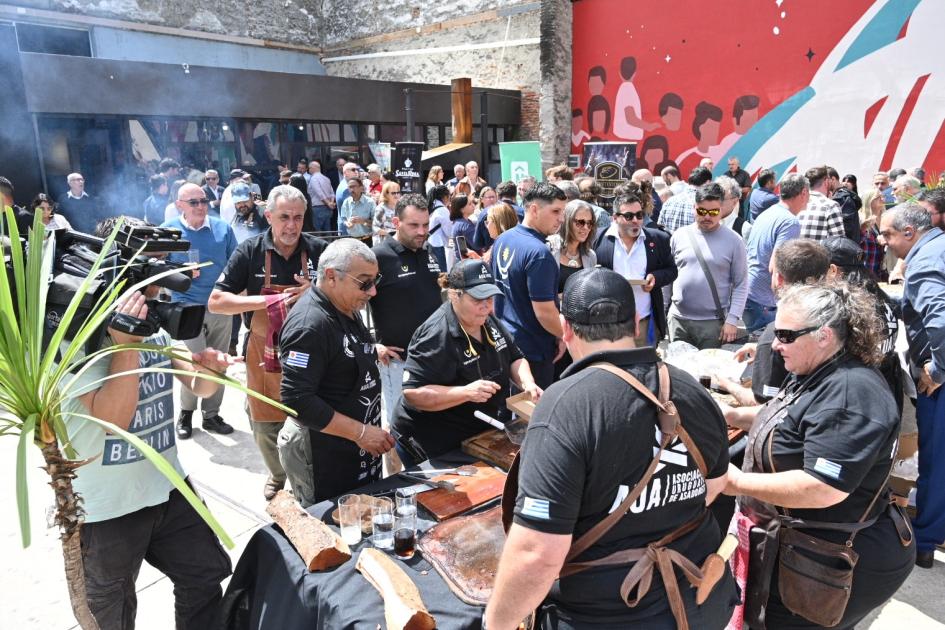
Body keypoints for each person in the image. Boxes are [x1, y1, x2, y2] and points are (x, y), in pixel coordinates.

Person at [486, 267, 737, 630]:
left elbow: (536, 554)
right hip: (698, 603)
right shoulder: (691, 390)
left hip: (608, 615)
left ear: (566, 328)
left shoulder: (564, 407)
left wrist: (496, 626)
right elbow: (713, 486)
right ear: (635, 324)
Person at [723, 282, 914, 628]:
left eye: (785, 335)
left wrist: (735, 482)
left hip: (835, 559)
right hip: (808, 548)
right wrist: (737, 416)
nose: (775, 345)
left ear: (824, 335)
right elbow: (794, 421)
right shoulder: (818, 369)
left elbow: (824, 486)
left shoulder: (849, 393)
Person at [63, 249, 234, 627]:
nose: (156, 285)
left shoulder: (153, 326)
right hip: (108, 509)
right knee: (113, 612)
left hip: (168, 486)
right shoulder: (72, 340)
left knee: (204, 576)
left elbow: (197, 386)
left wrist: (209, 368)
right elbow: (114, 421)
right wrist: (125, 345)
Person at [209, 185, 326, 500]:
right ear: (268, 215)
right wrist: (267, 301)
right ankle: (277, 475)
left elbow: (352, 295)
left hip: (313, 350)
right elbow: (216, 302)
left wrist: (316, 292)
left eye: (298, 218)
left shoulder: (318, 250)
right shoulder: (249, 251)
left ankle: (314, 476)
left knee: (313, 418)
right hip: (263, 350)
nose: (291, 225)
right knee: (264, 423)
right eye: (284, 217)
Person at [277, 239, 395, 507]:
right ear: (331, 276)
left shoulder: (344, 305)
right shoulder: (310, 325)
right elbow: (296, 401)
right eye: (364, 283)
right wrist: (361, 433)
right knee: (331, 527)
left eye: (375, 281)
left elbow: (341, 353)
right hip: (322, 455)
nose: (373, 291)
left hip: (356, 448)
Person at [392, 260, 539, 462]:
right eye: (478, 299)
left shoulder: (488, 319)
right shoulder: (435, 334)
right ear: (454, 295)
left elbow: (515, 357)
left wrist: (528, 384)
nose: (486, 306)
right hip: (435, 441)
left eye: (490, 298)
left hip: (479, 432)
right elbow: (413, 393)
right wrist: (466, 392)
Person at [879, 202, 945, 568]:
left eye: (887, 234)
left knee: (936, 460)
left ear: (909, 232)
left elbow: (940, 322)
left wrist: (937, 370)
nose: (882, 240)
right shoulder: (938, 247)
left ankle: (925, 539)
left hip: (939, 381)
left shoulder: (922, 263)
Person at [161, 183, 239, 438]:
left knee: (218, 363)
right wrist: (178, 272)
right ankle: (186, 414)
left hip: (219, 306)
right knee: (194, 363)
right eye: (193, 202)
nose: (200, 206)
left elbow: (235, 263)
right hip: (185, 308)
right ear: (179, 204)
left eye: (204, 201)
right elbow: (155, 267)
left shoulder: (222, 228)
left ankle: (211, 415)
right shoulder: (168, 231)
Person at [715, 239, 831, 407]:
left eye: (772, 271)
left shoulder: (776, 334)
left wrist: (726, 384)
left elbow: (764, 405)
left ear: (780, 279)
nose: (779, 344)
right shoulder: (837, 314)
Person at [369, 193, 442, 433]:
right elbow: (345, 305)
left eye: (425, 225)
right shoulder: (378, 257)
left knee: (431, 427)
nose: (422, 231)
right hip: (399, 364)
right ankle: (396, 473)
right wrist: (372, 346)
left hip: (435, 360)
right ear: (396, 222)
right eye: (414, 225)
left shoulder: (427, 252)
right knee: (399, 432)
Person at [492, 182, 568, 388]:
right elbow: (544, 312)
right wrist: (565, 337)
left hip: (506, 343)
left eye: (562, 211)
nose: (561, 218)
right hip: (533, 350)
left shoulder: (503, 239)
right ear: (534, 209)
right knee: (534, 415)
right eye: (555, 211)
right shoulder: (539, 254)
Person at [668, 183, 748, 349]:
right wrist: (663, 311)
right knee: (677, 371)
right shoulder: (679, 235)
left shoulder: (734, 241)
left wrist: (732, 319)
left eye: (713, 212)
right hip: (678, 320)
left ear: (722, 211)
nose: (707, 217)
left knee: (708, 373)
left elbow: (741, 283)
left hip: (712, 325)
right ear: (694, 208)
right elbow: (670, 276)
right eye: (702, 211)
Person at [595, 190, 676, 345]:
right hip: (609, 324)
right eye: (628, 216)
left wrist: (656, 277)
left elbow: (672, 270)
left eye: (639, 215)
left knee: (644, 368)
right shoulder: (598, 239)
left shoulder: (658, 239)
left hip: (644, 322)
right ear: (615, 218)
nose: (635, 220)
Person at [743, 173, 806, 332]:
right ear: (804, 193)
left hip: (751, 292)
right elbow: (777, 266)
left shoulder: (768, 213)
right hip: (764, 300)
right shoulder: (790, 222)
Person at [546, 199, 598, 296]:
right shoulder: (548, 248)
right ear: (567, 221)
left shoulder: (590, 256)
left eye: (589, 223)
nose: (586, 228)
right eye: (580, 222)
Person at [658, 166, 713, 234]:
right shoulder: (704, 205)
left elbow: (660, 227)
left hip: (670, 243)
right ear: (707, 183)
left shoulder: (669, 202)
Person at [798, 165, 845, 241]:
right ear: (826, 182)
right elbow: (838, 242)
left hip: (795, 252)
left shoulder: (797, 204)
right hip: (818, 252)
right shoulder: (831, 206)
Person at [859, 188, 886, 279]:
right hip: (865, 270)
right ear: (869, 200)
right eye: (879, 197)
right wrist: (862, 228)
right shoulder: (860, 218)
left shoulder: (885, 219)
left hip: (880, 271)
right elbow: (855, 241)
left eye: (883, 196)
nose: (883, 199)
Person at [339, 178, 374, 244]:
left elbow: (376, 223)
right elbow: (343, 218)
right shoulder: (346, 202)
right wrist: (347, 223)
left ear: (361, 188)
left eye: (354, 186)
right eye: (350, 187)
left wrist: (363, 221)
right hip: (352, 240)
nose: (352, 189)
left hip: (367, 239)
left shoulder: (370, 202)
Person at [426, 184, 452, 271]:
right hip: (438, 246)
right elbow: (449, 232)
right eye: (449, 196)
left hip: (428, 244)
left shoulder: (431, 207)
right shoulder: (443, 210)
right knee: (442, 275)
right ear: (444, 197)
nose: (450, 198)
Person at [307, 159, 336, 232]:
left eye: (309, 168)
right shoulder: (326, 178)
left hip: (317, 208)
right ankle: (329, 243)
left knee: (318, 232)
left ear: (313, 168)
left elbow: (319, 193)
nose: (308, 170)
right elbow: (332, 193)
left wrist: (328, 203)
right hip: (328, 209)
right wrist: (331, 203)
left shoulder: (313, 179)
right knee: (328, 231)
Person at [372, 180, 400, 246]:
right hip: (383, 244)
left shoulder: (401, 206)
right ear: (386, 194)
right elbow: (376, 228)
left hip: (397, 243)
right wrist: (392, 233)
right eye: (393, 193)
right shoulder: (381, 208)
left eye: (398, 192)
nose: (396, 195)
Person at [449, 193, 477, 261]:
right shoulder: (465, 225)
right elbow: (477, 244)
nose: (473, 205)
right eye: (470, 204)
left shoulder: (457, 223)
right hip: (468, 263)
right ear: (462, 209)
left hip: (460, 262)